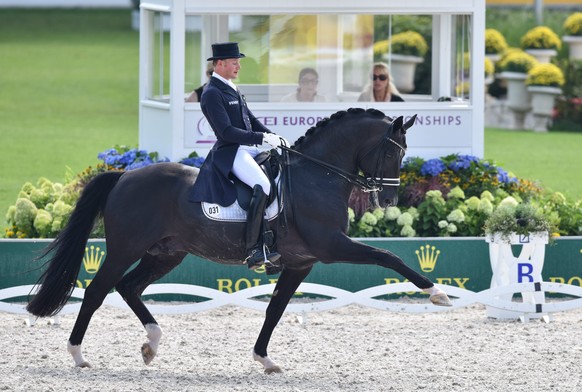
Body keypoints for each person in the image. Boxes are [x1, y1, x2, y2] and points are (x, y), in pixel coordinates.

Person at [188, 42, 288, 270]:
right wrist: (260, 139)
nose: (239, 66)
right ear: (220, 63)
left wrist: (273, 137)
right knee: (263, 185)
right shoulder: (212, 93)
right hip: (232, 152)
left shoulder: (231, 87)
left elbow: (250, 119)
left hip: (248, 148)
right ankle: (254, 249)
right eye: (235, 62)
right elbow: (226, 132)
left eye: (238, 62)